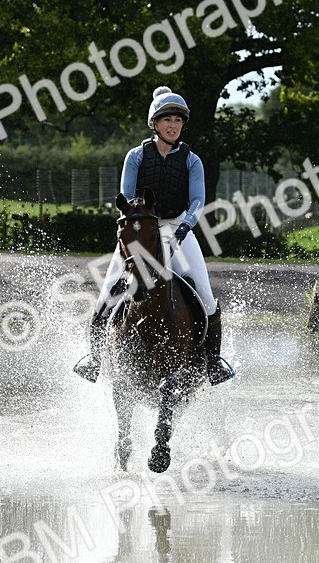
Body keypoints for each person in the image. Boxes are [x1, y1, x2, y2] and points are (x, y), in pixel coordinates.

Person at [73, 86, 235, 386]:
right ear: (155, 124)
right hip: (141, 231)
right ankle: (94, 358)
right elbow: (128, 197)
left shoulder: (191, 160)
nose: (173, 125)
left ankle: (213, 362)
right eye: (167, 120)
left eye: (177, 120)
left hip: (179, 228)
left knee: (206, 293)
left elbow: (198, 200)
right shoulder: (136, 156)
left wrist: (185, 227)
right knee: (107, 290)